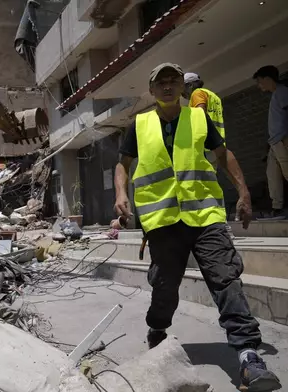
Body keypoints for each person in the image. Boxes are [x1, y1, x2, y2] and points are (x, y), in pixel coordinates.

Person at [114, 63, 281, 391]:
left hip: (205, 216)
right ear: (152, 90)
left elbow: (223, 154)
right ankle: (158, 330)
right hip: (162, 221)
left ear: (181, 86)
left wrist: (244, 192)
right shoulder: (139, 124)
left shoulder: (198, 117)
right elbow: (123, 164)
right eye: (160, 82)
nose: (167, 86)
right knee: (164, 287)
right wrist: (120, 193)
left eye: (173, 80)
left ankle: (248, 355)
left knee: (226, 279)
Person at [253, 65, 288, 219]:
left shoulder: (282, 91)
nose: (259, 85)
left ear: (268, 79)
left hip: (283, 140)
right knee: (272, 175)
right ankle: (278, 208)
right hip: (274, 143)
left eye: (260, 81)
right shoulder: (275, 95)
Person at [183, 72, 226, 168]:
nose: (181, 94)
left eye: (182, 89)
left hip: (206, 144)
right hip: (217, 142)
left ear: (190, 85)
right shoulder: (212, 96)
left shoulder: (196, 93)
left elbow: (200, 115)